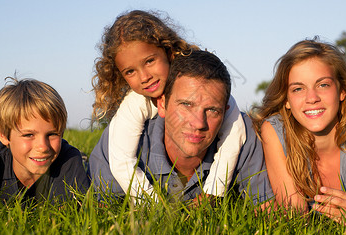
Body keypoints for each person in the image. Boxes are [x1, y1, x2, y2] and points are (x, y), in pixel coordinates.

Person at [91, 10, 246, 199]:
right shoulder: (135, 103)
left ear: (169, 52)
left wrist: (213, 194)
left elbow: (235, 133)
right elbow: (122, 161)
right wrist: (152, 207)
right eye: (130, 71)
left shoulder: (204, 87)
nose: (145, 77)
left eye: (149, 61)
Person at [90, 50, 272, 206]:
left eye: (212, 110)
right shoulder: (120, 141)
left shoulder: (244, 137)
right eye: (186, 105)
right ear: (161, 104)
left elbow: (269, 212)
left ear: (225, 112)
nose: (199, 123)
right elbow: (103, 215)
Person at [253, 38, 346, 226]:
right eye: (298, 88)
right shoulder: (275, 131)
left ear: (342, 91)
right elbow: (297, 221)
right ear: (286, 100)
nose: (312, 98)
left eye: (323, 85)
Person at [0, 78, 90, 203]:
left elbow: (71, 212)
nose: (43, 147)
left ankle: (84, 160)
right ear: (3, 135)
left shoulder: (69, 160)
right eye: (29, 135)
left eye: (52, 134)